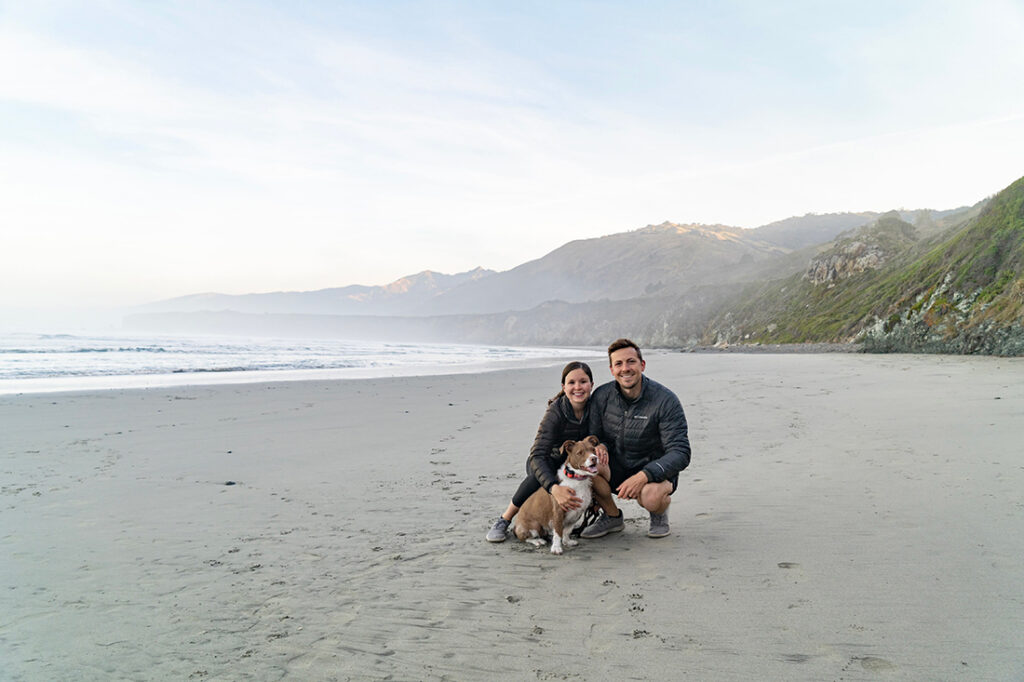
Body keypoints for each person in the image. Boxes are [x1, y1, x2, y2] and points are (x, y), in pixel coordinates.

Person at [485, 361, 617, 542]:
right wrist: (554, 488)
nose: (577, 387)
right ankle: (504, 519)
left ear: (591, 385)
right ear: (564, 386)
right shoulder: (555, 411)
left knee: (599, 471)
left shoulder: (595, 408)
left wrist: (602, 445)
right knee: (535, 480)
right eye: (571, 383)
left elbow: (605, 436)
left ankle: (611, 515)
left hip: (578, 462)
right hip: (548, 461)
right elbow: (537, 454)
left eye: (583, 382)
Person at [576, 338, 691, 539]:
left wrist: (645, 475)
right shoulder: (602, 396)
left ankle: (658, 514)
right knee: (585, 465)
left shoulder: (665, 400)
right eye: (618, 364)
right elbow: (592, 437)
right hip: (616, 465)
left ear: (642, 365)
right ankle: (612, 516)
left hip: (652, 469)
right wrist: (599, 444)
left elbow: (681, 452)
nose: (625, 368)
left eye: (631, 362)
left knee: (651, 497)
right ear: (612, 370)